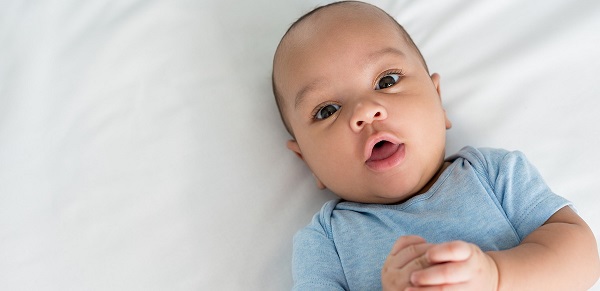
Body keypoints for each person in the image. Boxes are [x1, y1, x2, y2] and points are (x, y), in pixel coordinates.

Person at [271, 1, 600, 290]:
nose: (364, 112)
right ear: (307, 161)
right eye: (327, 110)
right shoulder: (326, 242)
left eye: (387, 81)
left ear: (438, 102)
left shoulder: (494, 175)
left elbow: (582, 256)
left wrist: (497, 277)